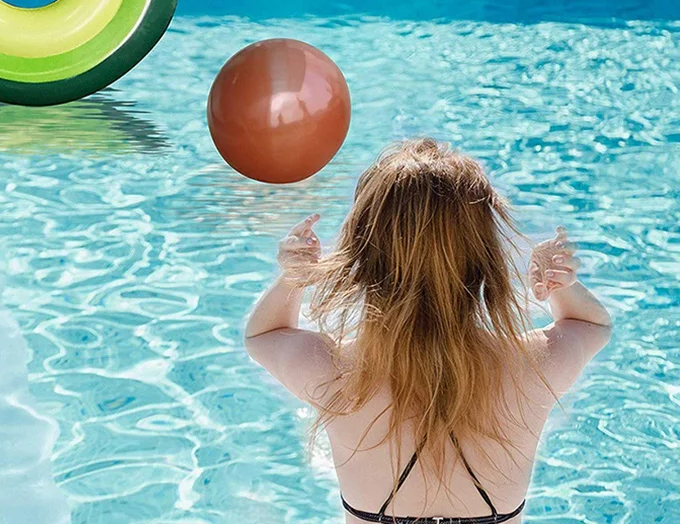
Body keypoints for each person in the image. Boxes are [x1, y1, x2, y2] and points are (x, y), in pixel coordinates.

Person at [245, 139, 612, 523]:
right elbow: (591, 326)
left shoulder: (336, 376)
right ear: (486, 260)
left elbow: (263, 336)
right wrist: (559, 286)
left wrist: (294, 279)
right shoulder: (529, 371)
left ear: (361, 257)